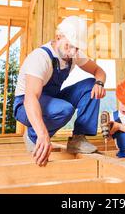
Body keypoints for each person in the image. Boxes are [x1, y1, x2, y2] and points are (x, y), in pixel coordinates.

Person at [13, 16, 106, 166]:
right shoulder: (40, 58)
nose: (73, 52)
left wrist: (99, 83)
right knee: (64, 109)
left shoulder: (73, 53)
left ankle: (78, 139)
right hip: (25, 105)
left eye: (77, 48)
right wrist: (43, 134)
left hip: (51, 99)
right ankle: (33, 136)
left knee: (91, 85)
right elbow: (31, 98)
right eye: (69, 46)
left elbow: (98, 71)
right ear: (58, 37)